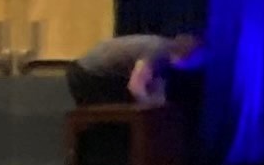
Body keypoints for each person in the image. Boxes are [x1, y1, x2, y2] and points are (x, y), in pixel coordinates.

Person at [67, 31, 202, 108]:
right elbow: (136, 86)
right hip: (87, 74)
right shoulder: (158, 50)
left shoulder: (164, 59)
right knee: (118, 118)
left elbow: (158, 94)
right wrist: (150, 108)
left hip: (98, 74)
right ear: (187, 53)